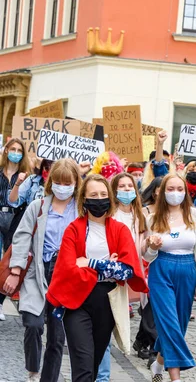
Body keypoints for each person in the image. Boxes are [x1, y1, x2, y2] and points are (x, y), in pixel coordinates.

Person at [45, 174, 147, 382]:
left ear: (110, 198)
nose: (99, 198)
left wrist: (91, 263)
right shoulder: (74, 229)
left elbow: (126, 271)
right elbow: (68, 269)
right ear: (84, 199)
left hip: (106, 301)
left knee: (93, 364)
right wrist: (109, 265)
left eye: (103, 194)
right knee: (82, 366)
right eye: (93, 194)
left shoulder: (120, 229)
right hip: (77, 301)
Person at [2, 159, 80, 382]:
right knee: (33, 324)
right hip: (37, 271)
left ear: (76, 182)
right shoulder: (38, 206)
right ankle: (33, 371)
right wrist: (16, 269)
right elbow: (23, 235)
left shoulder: (81, 209)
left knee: (57, 336)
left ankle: (49, 378)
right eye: (58, 181)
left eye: (68, 182)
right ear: (51, 181)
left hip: (65, 276)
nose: (62, 186)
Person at [144, 174, 196, 382]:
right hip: (161, 269)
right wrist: (152, 246)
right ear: (161, 192)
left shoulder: (194, 214)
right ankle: (175, 377)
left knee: (178, 325)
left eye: (180, 189)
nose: (175, 193)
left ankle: (159, 363)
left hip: (187, 270)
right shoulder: (153, 217)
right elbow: (147, 256)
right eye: (170, 188)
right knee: (168, 322)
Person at [96, 172, 151, 381]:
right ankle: (102, 374)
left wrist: (150, 246)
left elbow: (145, 252)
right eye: (122, 186)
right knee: (107, 323)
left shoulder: (140, 216)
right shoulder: (110, 215)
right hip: (113, 274)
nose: (127, 190)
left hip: (132, 274)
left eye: (130, 186)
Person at [0, 138, 32, 321]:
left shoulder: (26, 176)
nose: (16, 152)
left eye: (19, 150)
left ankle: (0, 301)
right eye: (13, 149)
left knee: (8, 262)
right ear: (6, 151)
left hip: (16, 220)